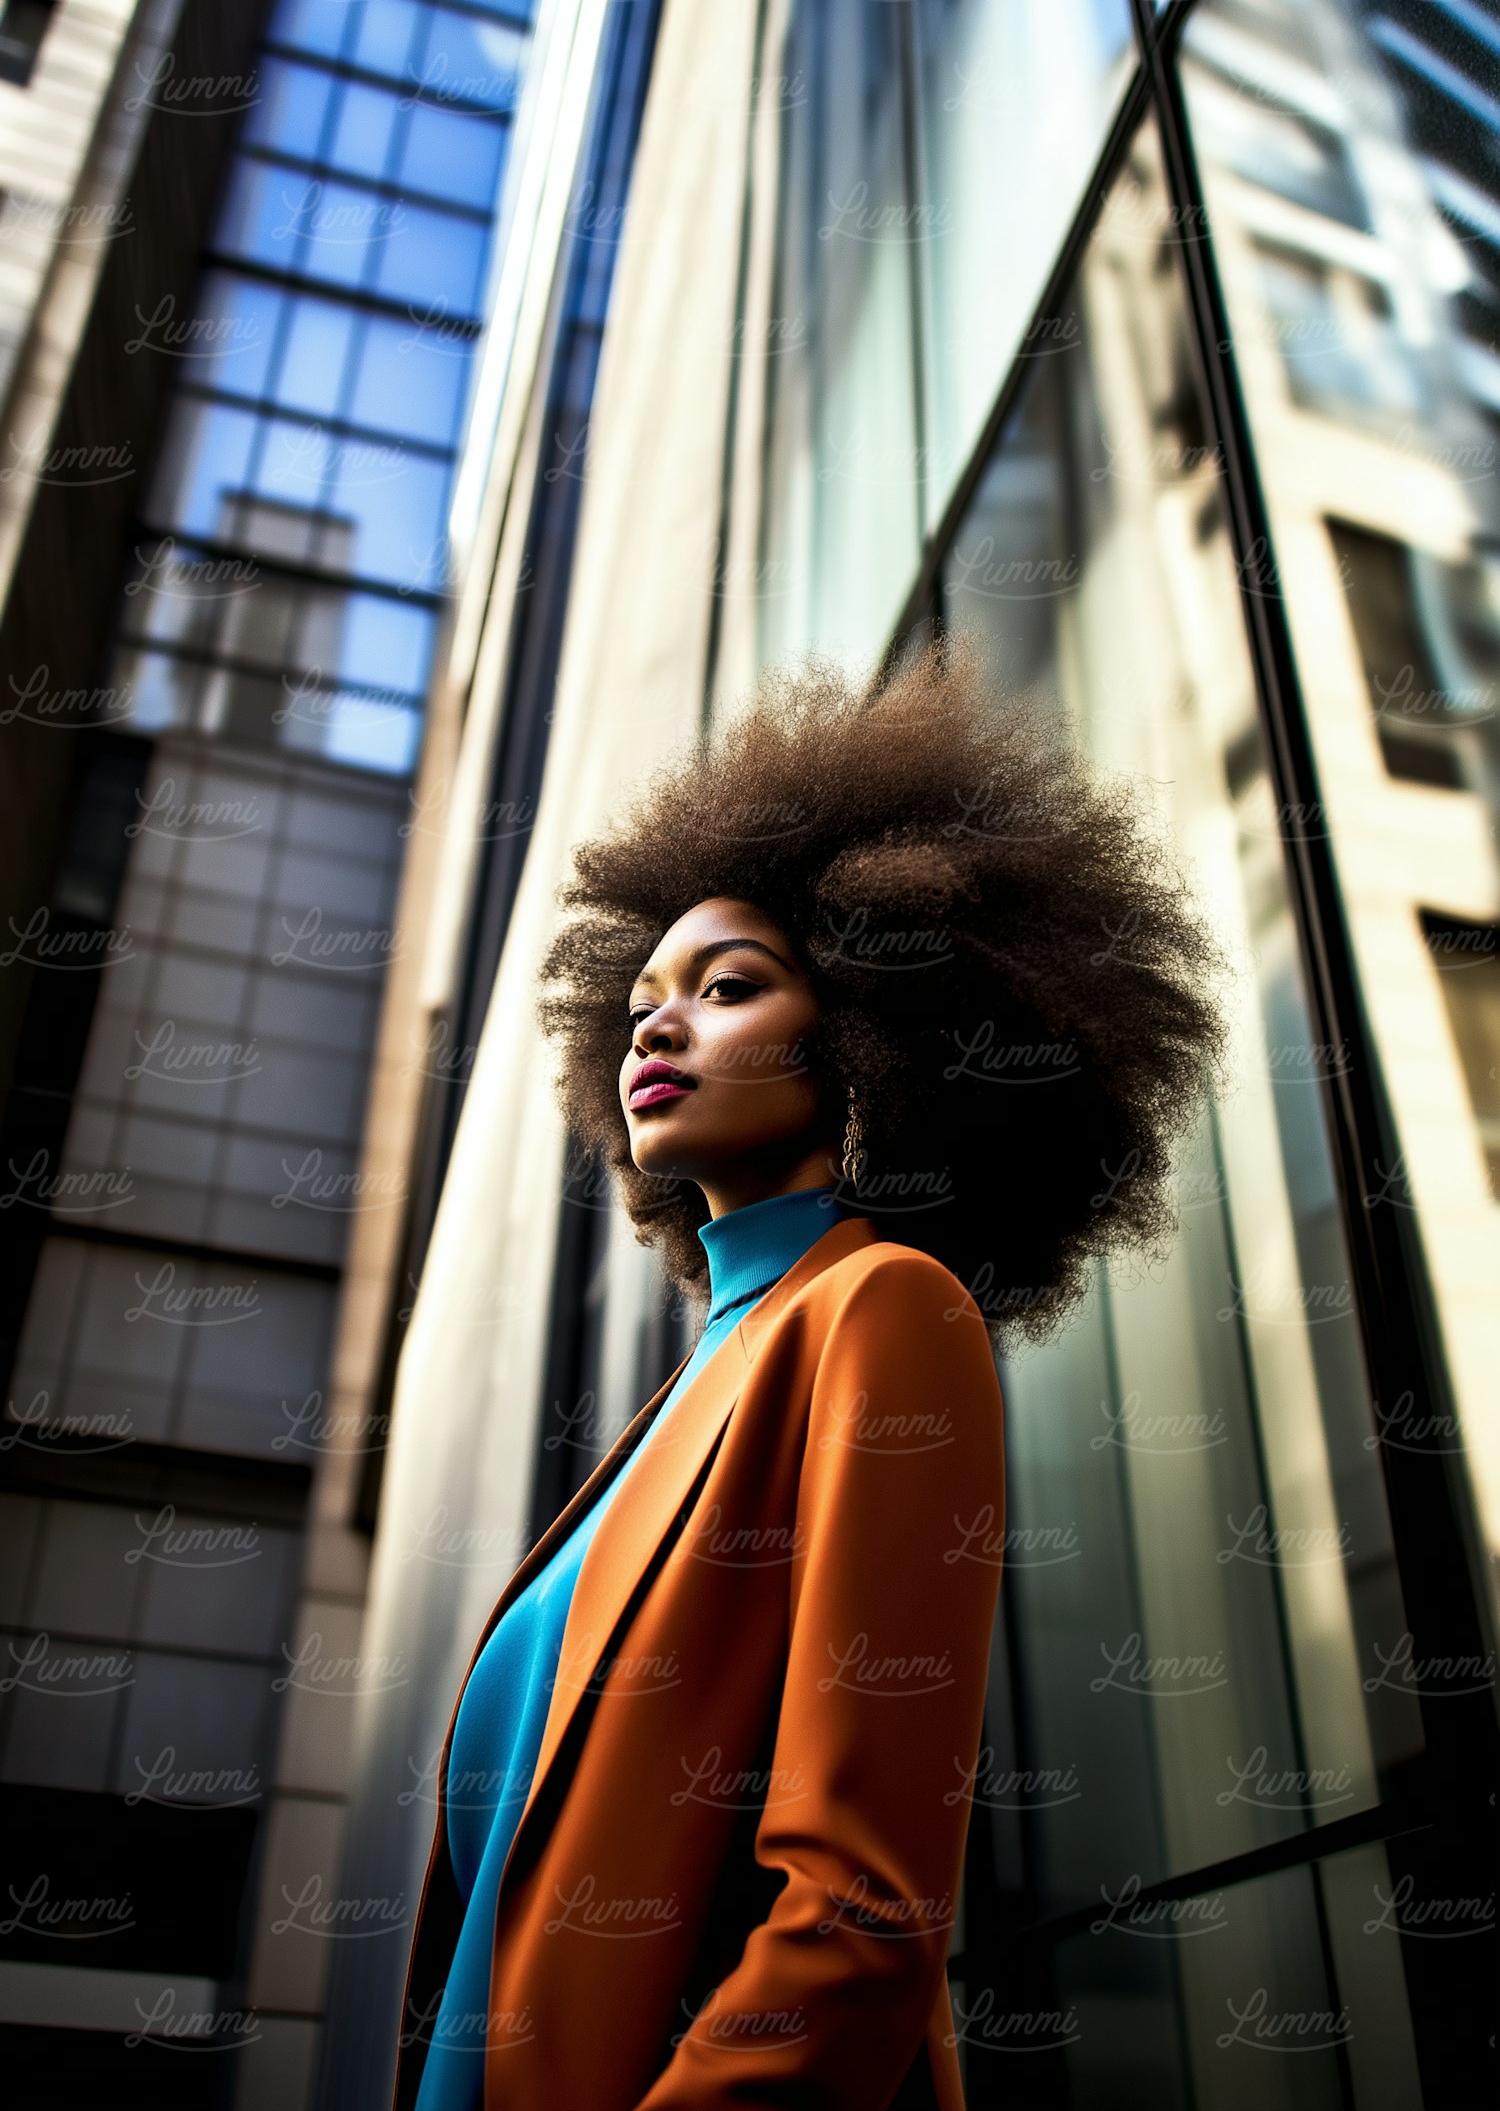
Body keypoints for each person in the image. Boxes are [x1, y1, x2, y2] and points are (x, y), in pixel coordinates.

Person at [392, 641, 1226, 2111]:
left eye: (728, 985)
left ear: (861, 1042)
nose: (659, 1020)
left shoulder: (880, 1312)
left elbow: (858, 1919)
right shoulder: (694, 1393)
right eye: (647, 995)